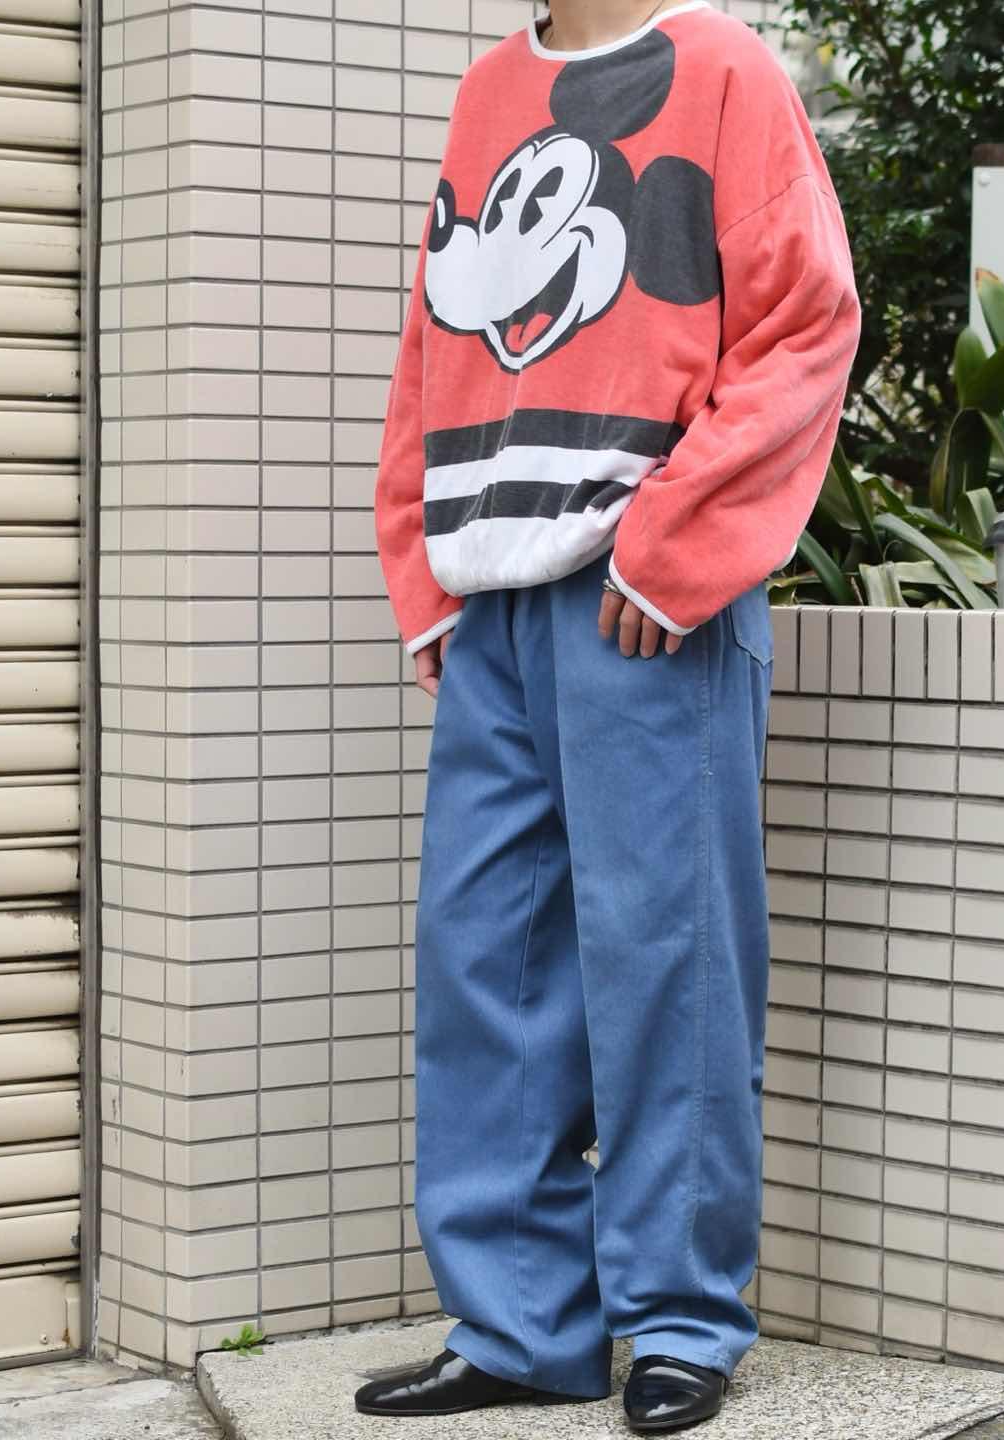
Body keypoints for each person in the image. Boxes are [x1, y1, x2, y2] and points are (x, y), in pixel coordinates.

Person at [362, 0, 860, 1431]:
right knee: (486, 965)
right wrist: (425, 571)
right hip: (497, 607)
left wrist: (675, 545)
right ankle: (523, 1325)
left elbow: (805, 321)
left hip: (648, 598)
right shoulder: (488, 91)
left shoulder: (721, 68)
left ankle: (681, 1322)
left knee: (668, 962)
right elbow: (435, 342)